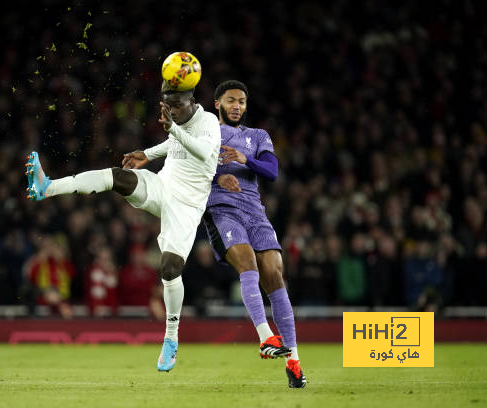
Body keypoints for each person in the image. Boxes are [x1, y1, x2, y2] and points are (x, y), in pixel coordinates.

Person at [25, 80, 220, 371]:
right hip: (163, 186)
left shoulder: (209, 122)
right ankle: (47, 187)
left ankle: (171, 338)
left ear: (192, 100)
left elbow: (203, 152)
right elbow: (174, 143)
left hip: (188, 206)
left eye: (178, 105)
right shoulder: (178, 124)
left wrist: (173, 129)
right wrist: (148, 154)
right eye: (169, 106)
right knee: (120, 177)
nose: (173, 111)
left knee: (169, 268)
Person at [203, 80, 306, 388]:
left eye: (242, 102)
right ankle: (265, 337)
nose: (237, 106)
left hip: (255, 212)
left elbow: (272, 172)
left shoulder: (258, 136)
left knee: (274, 272)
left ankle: (294, 362)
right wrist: (219, 176)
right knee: (247, 262)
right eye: (231, 100)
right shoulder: (207, 134)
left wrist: (244, 159)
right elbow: (190, 169)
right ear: (217, 103)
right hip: (221, 210)